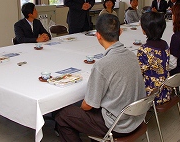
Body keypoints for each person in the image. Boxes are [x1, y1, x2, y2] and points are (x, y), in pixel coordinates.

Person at [55, 14, 146, 142]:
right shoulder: (132, 55)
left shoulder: (102, 65)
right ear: (120, 31)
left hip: (117, 126)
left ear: (98, 35)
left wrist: (81, 114)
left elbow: (88, 105)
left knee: (62, 115)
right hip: (136, 118)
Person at [137, 12, 172, 105]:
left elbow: (138, 73)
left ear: (145, 29)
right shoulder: (165, 44)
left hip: (151, 94)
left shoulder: (144, 49)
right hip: (165, 89)